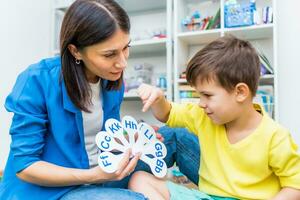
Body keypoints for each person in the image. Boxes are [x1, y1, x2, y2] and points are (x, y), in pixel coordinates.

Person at [0, 0, 200, 199]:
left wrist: (133, 138)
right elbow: (25, 167)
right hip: (53, 190)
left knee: (176, 136)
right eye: (109, 54)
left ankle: (225, 191)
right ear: (75, 51)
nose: (122, 63)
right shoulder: (36, 81)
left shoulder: (111, 80)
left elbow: (98, 135)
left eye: (125, 47)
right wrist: (93, 175)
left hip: (104, 171)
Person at [129, 36, 300, 200]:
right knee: (139, 179)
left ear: (240, 92)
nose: (201, 103)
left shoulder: (275, 136)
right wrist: (158, 99)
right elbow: (167, 114)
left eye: (207, 95)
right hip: (206, 197)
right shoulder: (202, 116)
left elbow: (295, 186)